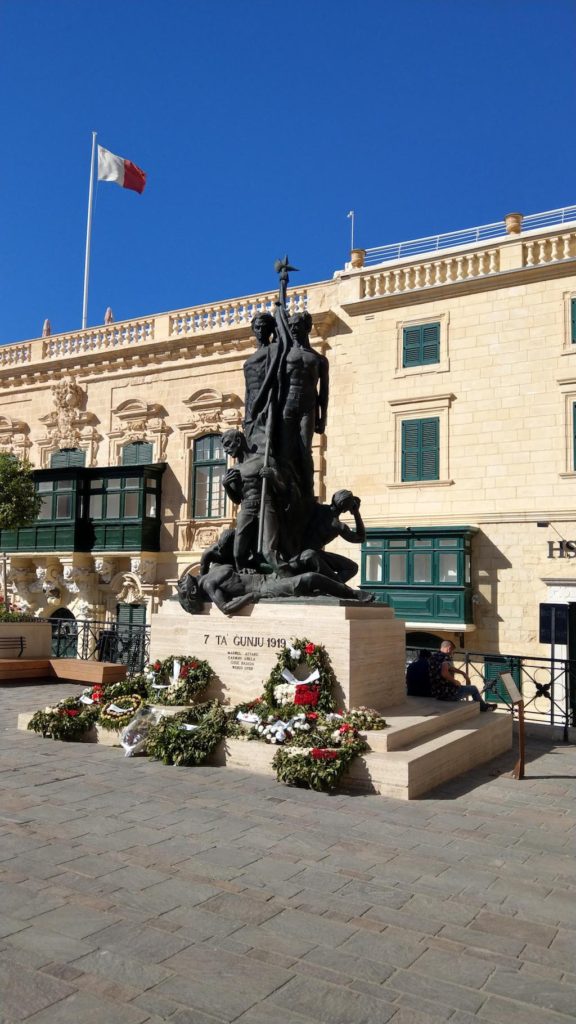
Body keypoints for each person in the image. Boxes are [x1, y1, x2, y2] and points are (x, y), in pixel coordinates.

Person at [177, 563, 375, 616]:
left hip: (265, 576)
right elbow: (226, 608)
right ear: (192, 592)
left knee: (305, 560)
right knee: (310, 578)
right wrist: (252, 596)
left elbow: (235, 574)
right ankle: (352, 593)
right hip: (265, 587)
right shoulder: (209, 586)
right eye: (182, 588)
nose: (181, 583)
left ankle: (337, 590)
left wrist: (244, 570)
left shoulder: (212, 569)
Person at [429, 641, 495, 711]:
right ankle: (483, 707)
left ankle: (480, 705)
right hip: (449, 694)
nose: (452, 653)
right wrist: (455, 681)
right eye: (452, 651)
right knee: (473, 689)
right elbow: (444, 673)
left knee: (465, 688)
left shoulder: (433, 656)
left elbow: (448, 668)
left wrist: (462, 673)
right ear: (449, 648)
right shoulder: (446, 657)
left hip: (437, 693)